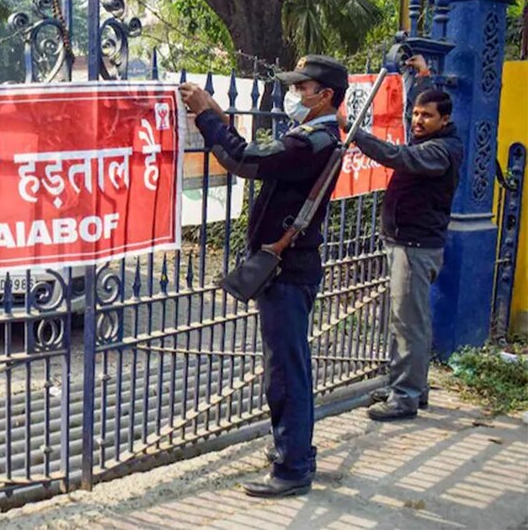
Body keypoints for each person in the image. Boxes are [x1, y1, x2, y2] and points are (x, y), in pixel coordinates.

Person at [180, 55, 348, 498]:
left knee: (285, 372)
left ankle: (292, 468)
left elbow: (242, 158)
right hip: (293, 269)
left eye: (302, 88)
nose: (295, 95)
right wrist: (216, 113)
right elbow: (254, 157)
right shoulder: (316, 136)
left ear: (325, 95)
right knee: (293, 365)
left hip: (287, 273)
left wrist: (204, 116)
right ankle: (297, 453)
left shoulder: (310, 142)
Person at [339, 55, 463, 421]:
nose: (418, 121)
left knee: (409, 323)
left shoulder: (442, 150)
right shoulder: (434, 134)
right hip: (406, 241)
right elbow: (419, 102)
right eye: (416, 115)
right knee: (402, 319)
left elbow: (398, 156)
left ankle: (406, 396)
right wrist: (423, 77)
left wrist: (353, 129)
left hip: (416, 246)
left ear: (445, 120)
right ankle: (405, 385)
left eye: (427, 117)